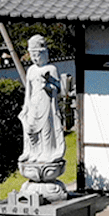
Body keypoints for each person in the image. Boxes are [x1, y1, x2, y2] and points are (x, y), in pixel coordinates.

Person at [17, 35, 64, 166]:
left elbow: (58, 89)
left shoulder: (51, 69)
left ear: (44, 54)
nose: (35, 59)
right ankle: (33, 152)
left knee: (46, 129)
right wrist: (26, 106)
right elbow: (28, 90)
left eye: (37, 55)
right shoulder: (31, 70)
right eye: (33, 56)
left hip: (46, 102)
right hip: (33, 102)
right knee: (30, 128)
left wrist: (48, 86)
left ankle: (47, 152)